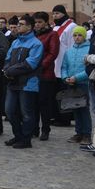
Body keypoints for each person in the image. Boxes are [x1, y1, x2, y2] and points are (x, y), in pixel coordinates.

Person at [3, 15, 44, 149]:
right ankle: (18, 135)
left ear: (29, 27)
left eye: (21, 24)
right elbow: (8, 59)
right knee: (9, 111)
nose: (18, 26)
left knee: (26, 113)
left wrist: (10, 71)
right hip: (13, 82)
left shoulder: (36, 43)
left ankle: (26, 139)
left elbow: (30, 64)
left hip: (28, 83)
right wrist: (6, 70)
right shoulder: (15, 42)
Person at [61, 26, 92, 145]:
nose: (77, 37)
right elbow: (64, 66)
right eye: (75, 35)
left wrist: (76, 78)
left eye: (79, 35)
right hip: (71, 83)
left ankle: (86, 134)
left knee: (84, 109)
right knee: (75, 108)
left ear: (84, 36)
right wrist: (65, 77)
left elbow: (89, 69)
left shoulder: (89, 50)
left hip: (83, 83)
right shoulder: (69, 51)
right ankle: (78, 132)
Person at [33, 11, 60, 141]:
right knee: (33, 103)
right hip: (32, 74)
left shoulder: (52, 34)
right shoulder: (33, 35)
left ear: (46, 22)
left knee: (44, 104)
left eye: (40, 22)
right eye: (36, 22)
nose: (37, 25)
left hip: (45, 74)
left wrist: (40, 65)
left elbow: (53, 53)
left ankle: (45, 129)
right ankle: (34, 128)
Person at [52, 4, 77, 127]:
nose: (55, 16)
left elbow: (72, 47)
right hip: (55, 65)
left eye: (57, 13)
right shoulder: (56, 27)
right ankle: (57, 116)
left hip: (65, 64)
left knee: (65, 93)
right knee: (57, 93)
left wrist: (70, 65)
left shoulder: (71, 26)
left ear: (63, 14)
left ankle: (65, 118)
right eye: (54, 14)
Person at [85, 8, 95, 133]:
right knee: (94, 109)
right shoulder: (94, 33)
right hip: (92, 75)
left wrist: (89, 58)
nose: (92, 19)